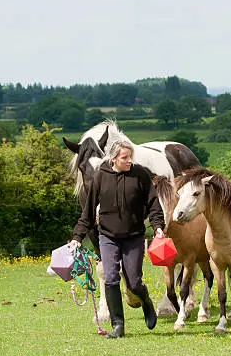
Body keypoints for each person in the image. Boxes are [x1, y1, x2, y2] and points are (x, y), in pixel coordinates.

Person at [70, 140, 165, 338]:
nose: (129, 161)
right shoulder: (101, 176)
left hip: (133, 237)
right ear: (113, 159)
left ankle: (146, 302)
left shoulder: (140, 174)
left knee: (134, 282)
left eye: (130, 157)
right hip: (108, 236)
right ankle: (118, 325)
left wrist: (157, 227)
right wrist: (78, 236)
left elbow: (153, 202)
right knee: (111, 277)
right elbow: (88, 210)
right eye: (125, 158)